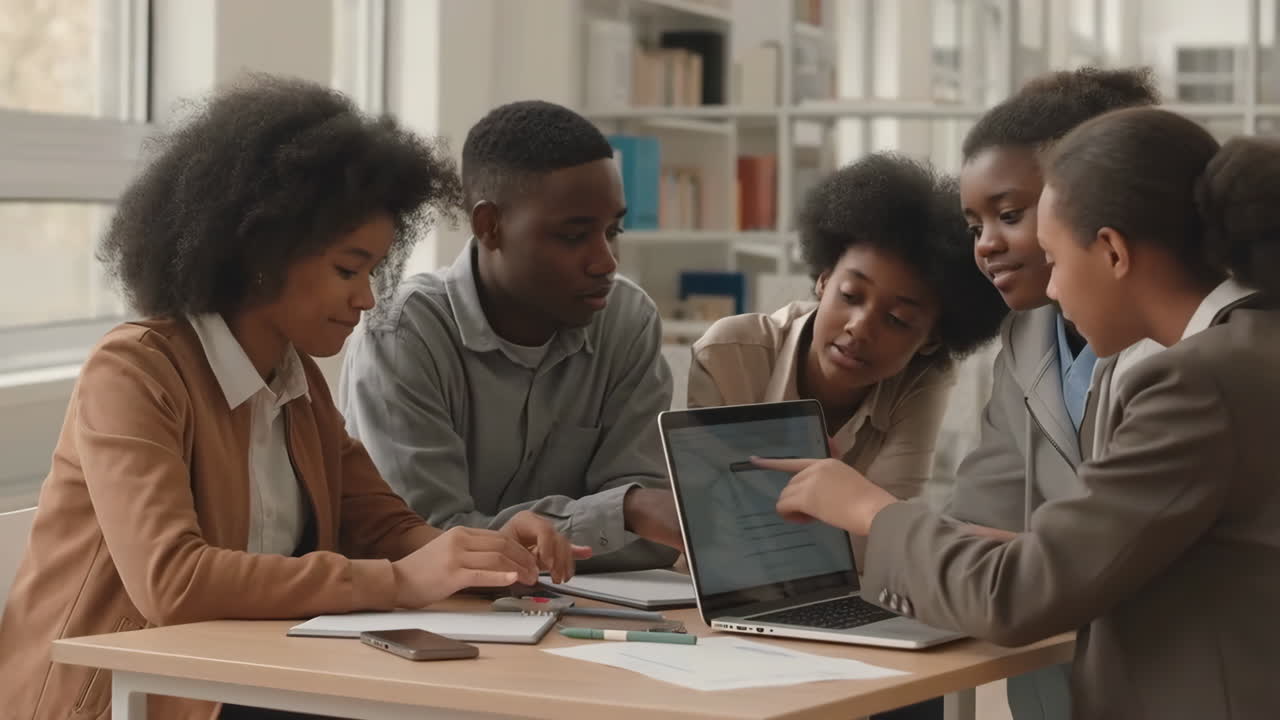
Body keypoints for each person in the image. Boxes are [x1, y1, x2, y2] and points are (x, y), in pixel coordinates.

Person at [0, 76, 585, 720]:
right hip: (121, 700)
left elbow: (386, 528)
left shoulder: (296, 380)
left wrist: (486, 553)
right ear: (261, 249)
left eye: (372, 271)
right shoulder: (135, 370)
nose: (367, 298)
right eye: (347, 269)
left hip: (240, 683)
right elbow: (174, 581)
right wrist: (403, 581)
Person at [758, 107, 1280, 719]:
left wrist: (867, 508)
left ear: (1112, 251)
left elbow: (1016, 598)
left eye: (1055, 262)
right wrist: (1030, 550)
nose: (1051, 292)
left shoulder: (1195, 382)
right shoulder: (1250, 347)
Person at [340, 101, 681, 572]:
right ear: (490, 226)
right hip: (435, 625)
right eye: (573, 236)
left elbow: (657, 537)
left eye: (612, 230)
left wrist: (626, 516)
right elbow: (420, 540)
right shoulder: (401, 332)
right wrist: (619, 513)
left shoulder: (627, 319)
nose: (605, 261)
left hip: (584, 619)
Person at [948, 67, 1159, 720]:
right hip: (1053, 676)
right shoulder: (1028, 335)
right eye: (973, 223)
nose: (986, 245)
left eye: (1010, 215)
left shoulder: (1180, 350)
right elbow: (987, 502)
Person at [689, 153, 1006, 528]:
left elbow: (887, 530)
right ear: (824, 281)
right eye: (851, 295)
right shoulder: (728, 353)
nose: (859, 327)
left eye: (897, 319)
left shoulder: (921, 380)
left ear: (932, 339)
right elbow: (703, 519)